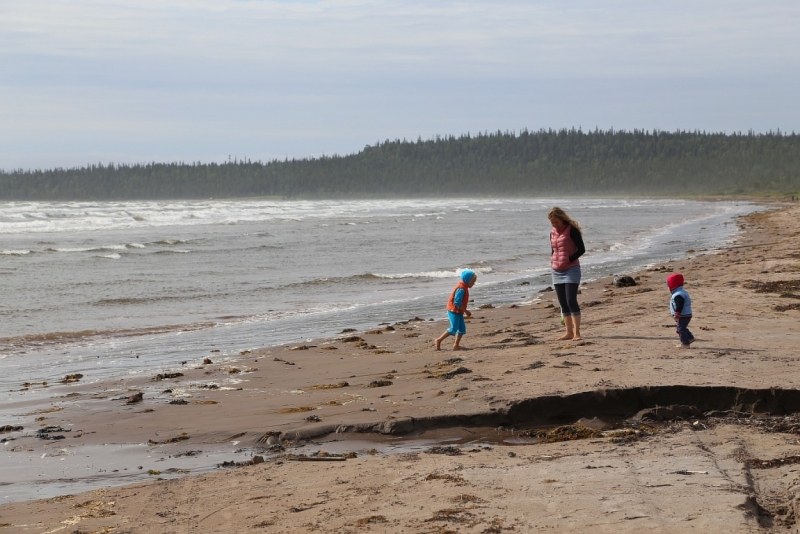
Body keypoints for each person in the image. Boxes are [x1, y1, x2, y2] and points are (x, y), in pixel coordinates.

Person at [548, 207, 586, 341]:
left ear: (562, 220)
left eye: (557, 223)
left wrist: (569, 259)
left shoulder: (572, 230)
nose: (555, 225)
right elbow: (553, 250)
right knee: (563, 303)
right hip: (556, 270)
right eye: (552, 223)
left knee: (571, 300)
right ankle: (568, 332)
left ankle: (577, 333)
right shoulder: (552, 233)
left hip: (571, 269)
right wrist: (553, 260)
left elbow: (582, 249)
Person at [435, 270, 477, 351]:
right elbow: (457, 302)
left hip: (459, 311)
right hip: (453, 311)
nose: (473, 284)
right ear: (467, 280)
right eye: (472, 282)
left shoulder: (464, 287)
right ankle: (438, 340)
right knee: (453, 329)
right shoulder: (461, 289)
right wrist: (466, 311)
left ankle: (456, 345)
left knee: (461, 329)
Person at [666, 273, 695, 349]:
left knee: (680, 329)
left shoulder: (678, 295)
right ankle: (690, 338)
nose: (667, 288)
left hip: (682, 315)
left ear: (673, 286)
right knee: (683, 327)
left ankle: (685, 344)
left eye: (668, 285)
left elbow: (680, 305)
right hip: (686, 314)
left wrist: (677, 314)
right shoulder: (682, 292)